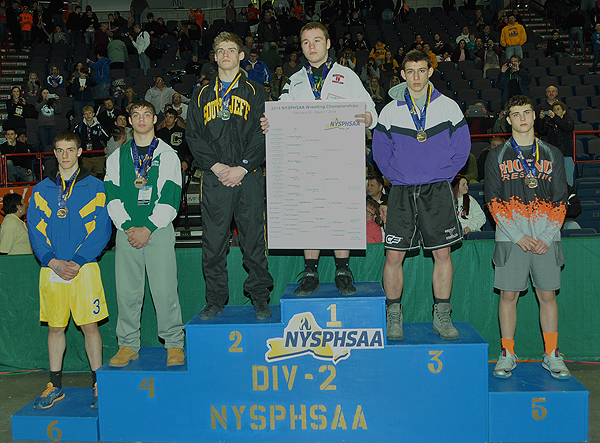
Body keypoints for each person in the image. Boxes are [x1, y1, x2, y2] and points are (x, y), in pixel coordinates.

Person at [262, 22, 377, 297]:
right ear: (301, 47)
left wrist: (369, 117)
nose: (311, 46)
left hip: (340, 156)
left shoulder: (347, 76)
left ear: (327, 43)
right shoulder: (294, 80)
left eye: (316, 40)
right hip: (306, 156)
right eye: (305, 42)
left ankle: (343, 271)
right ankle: (310, 271)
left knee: (340, 212)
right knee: (309, 212)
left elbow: (370, 108)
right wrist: (270, 122)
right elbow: (280, 113)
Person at [372, 49, 470, 341]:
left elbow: (462, 148)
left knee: (442, 253)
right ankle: (393, 315)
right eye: (411, 71)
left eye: (422, 70)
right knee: (393, 255)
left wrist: (443, 176)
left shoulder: (448, 107)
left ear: (430, 72)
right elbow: (380, 153)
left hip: (437, 189)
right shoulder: (390, 111)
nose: (416, 77)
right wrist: (398, 178)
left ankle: (442, 316)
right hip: (401, 190)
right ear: (403, 74)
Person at [186, 32, 273, 320]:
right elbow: (193, 136)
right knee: (213, 244)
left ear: (241, 55)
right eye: (221, 50)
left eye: (231, 49)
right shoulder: (201, 94)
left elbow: (263, 133)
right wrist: (216, 167)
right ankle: (215, 300)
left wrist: (243, 167)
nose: (226, 54)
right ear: (214, 56)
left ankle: (259, 297)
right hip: (215, 178)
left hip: (248, 175)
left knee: (254, 241)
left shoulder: (256, 91)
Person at [484, 95, 570, 380]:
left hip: (547, 237)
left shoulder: (552, 153)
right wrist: (518, 235)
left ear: (534, 115)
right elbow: (493, 200)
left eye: (527, 112)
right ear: (508, 119)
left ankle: (552, 353)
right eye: (516, 113)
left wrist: (546, 234)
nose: (522, 118)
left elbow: (561, 199)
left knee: (547, 295)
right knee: (508, 295)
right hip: (511, 239)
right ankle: (508, 353)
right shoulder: (497, 155)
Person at [27, 131, 111, 409]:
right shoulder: (41, 190)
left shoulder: (95, 187)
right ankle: (55, 385)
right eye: (60, 150)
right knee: (55, 328)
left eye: (70, 149)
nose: (65, 155)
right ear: (54, 153)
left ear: (80, 152)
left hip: (84, 267)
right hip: (52, 268)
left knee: (90, 326)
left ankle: (99, 384)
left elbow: (102, 228)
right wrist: (51, 260)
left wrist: (79, 259)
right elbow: (35, 230)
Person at [104, 100, 185, 368]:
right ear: (129, 120)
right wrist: (129, 227)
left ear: (154, 119)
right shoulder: (117, 156)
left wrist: (148, 227)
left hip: (158, 230)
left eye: (146, 114)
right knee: (127, 292)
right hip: (127, 232)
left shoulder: (168, 154)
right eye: (136, 115)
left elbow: (171, 196)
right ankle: (128, 344)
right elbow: (112, 197)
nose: (141, 119)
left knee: (165, 290)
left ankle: (173, 343)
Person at [538, 100, 575, 185]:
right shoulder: (549, 123)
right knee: (554, 182)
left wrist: (555, 117)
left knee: (568, 181)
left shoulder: (569, 122)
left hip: (566, 155)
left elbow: (566, 127)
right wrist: (541, 119)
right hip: (552, 156)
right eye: (554, 109)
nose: (555, 111)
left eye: (558, 109)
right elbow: (541, 131)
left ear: (564, 111)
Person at [73, 106, 109, 177]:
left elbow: (107, 137)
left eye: (89, 113)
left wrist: (106, 147)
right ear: (83, 115)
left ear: (93, 114)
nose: (88, 115)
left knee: (100, 175)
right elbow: (73, 138)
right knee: (84, 176)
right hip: (85, 157)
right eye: (86, 114)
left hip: (98, 156)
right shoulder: (79, 127)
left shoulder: (99, 126)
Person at [156, 108, 191, 173]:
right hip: (162, 162)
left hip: (178, 162)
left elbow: (188, 149)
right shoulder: (159, 133)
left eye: (171, 117)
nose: (168, 119)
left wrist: (186, 161)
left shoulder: (183, 132)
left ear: (175, 119)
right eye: (167, 116)